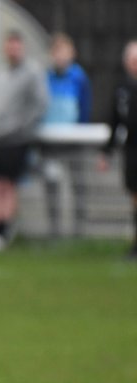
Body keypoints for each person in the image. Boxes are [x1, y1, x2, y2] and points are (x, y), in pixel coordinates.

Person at [0, 30, 48, 252]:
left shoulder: (32, 73)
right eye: (9, 46)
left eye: (16, 46)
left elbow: (40, 105)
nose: (12, 50)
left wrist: (21, 128)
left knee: (6, 186)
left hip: (14, 140)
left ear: (21, 48)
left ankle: (2, 232)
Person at [101, 40, 137, 259]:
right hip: (132, 150)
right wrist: (107, 151)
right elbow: (115, 122)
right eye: (132, 60)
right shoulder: (122, 88)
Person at [44, 33, 91, 125]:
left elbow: (84, 109)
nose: (60, 56)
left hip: (71, 133)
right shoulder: (45, 77)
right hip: (49, 132)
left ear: (72, 54)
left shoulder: (79, 77)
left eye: (64, 52)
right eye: (57, 51)